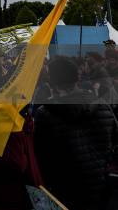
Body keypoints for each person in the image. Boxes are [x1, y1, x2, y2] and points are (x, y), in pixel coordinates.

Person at [35, 56, 118, 210]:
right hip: (99, 188)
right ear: (76, 77)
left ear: (53, 82)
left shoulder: (44, 114)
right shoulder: (103, 106)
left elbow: (41, 155)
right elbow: (114, 141)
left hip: (64, 191)